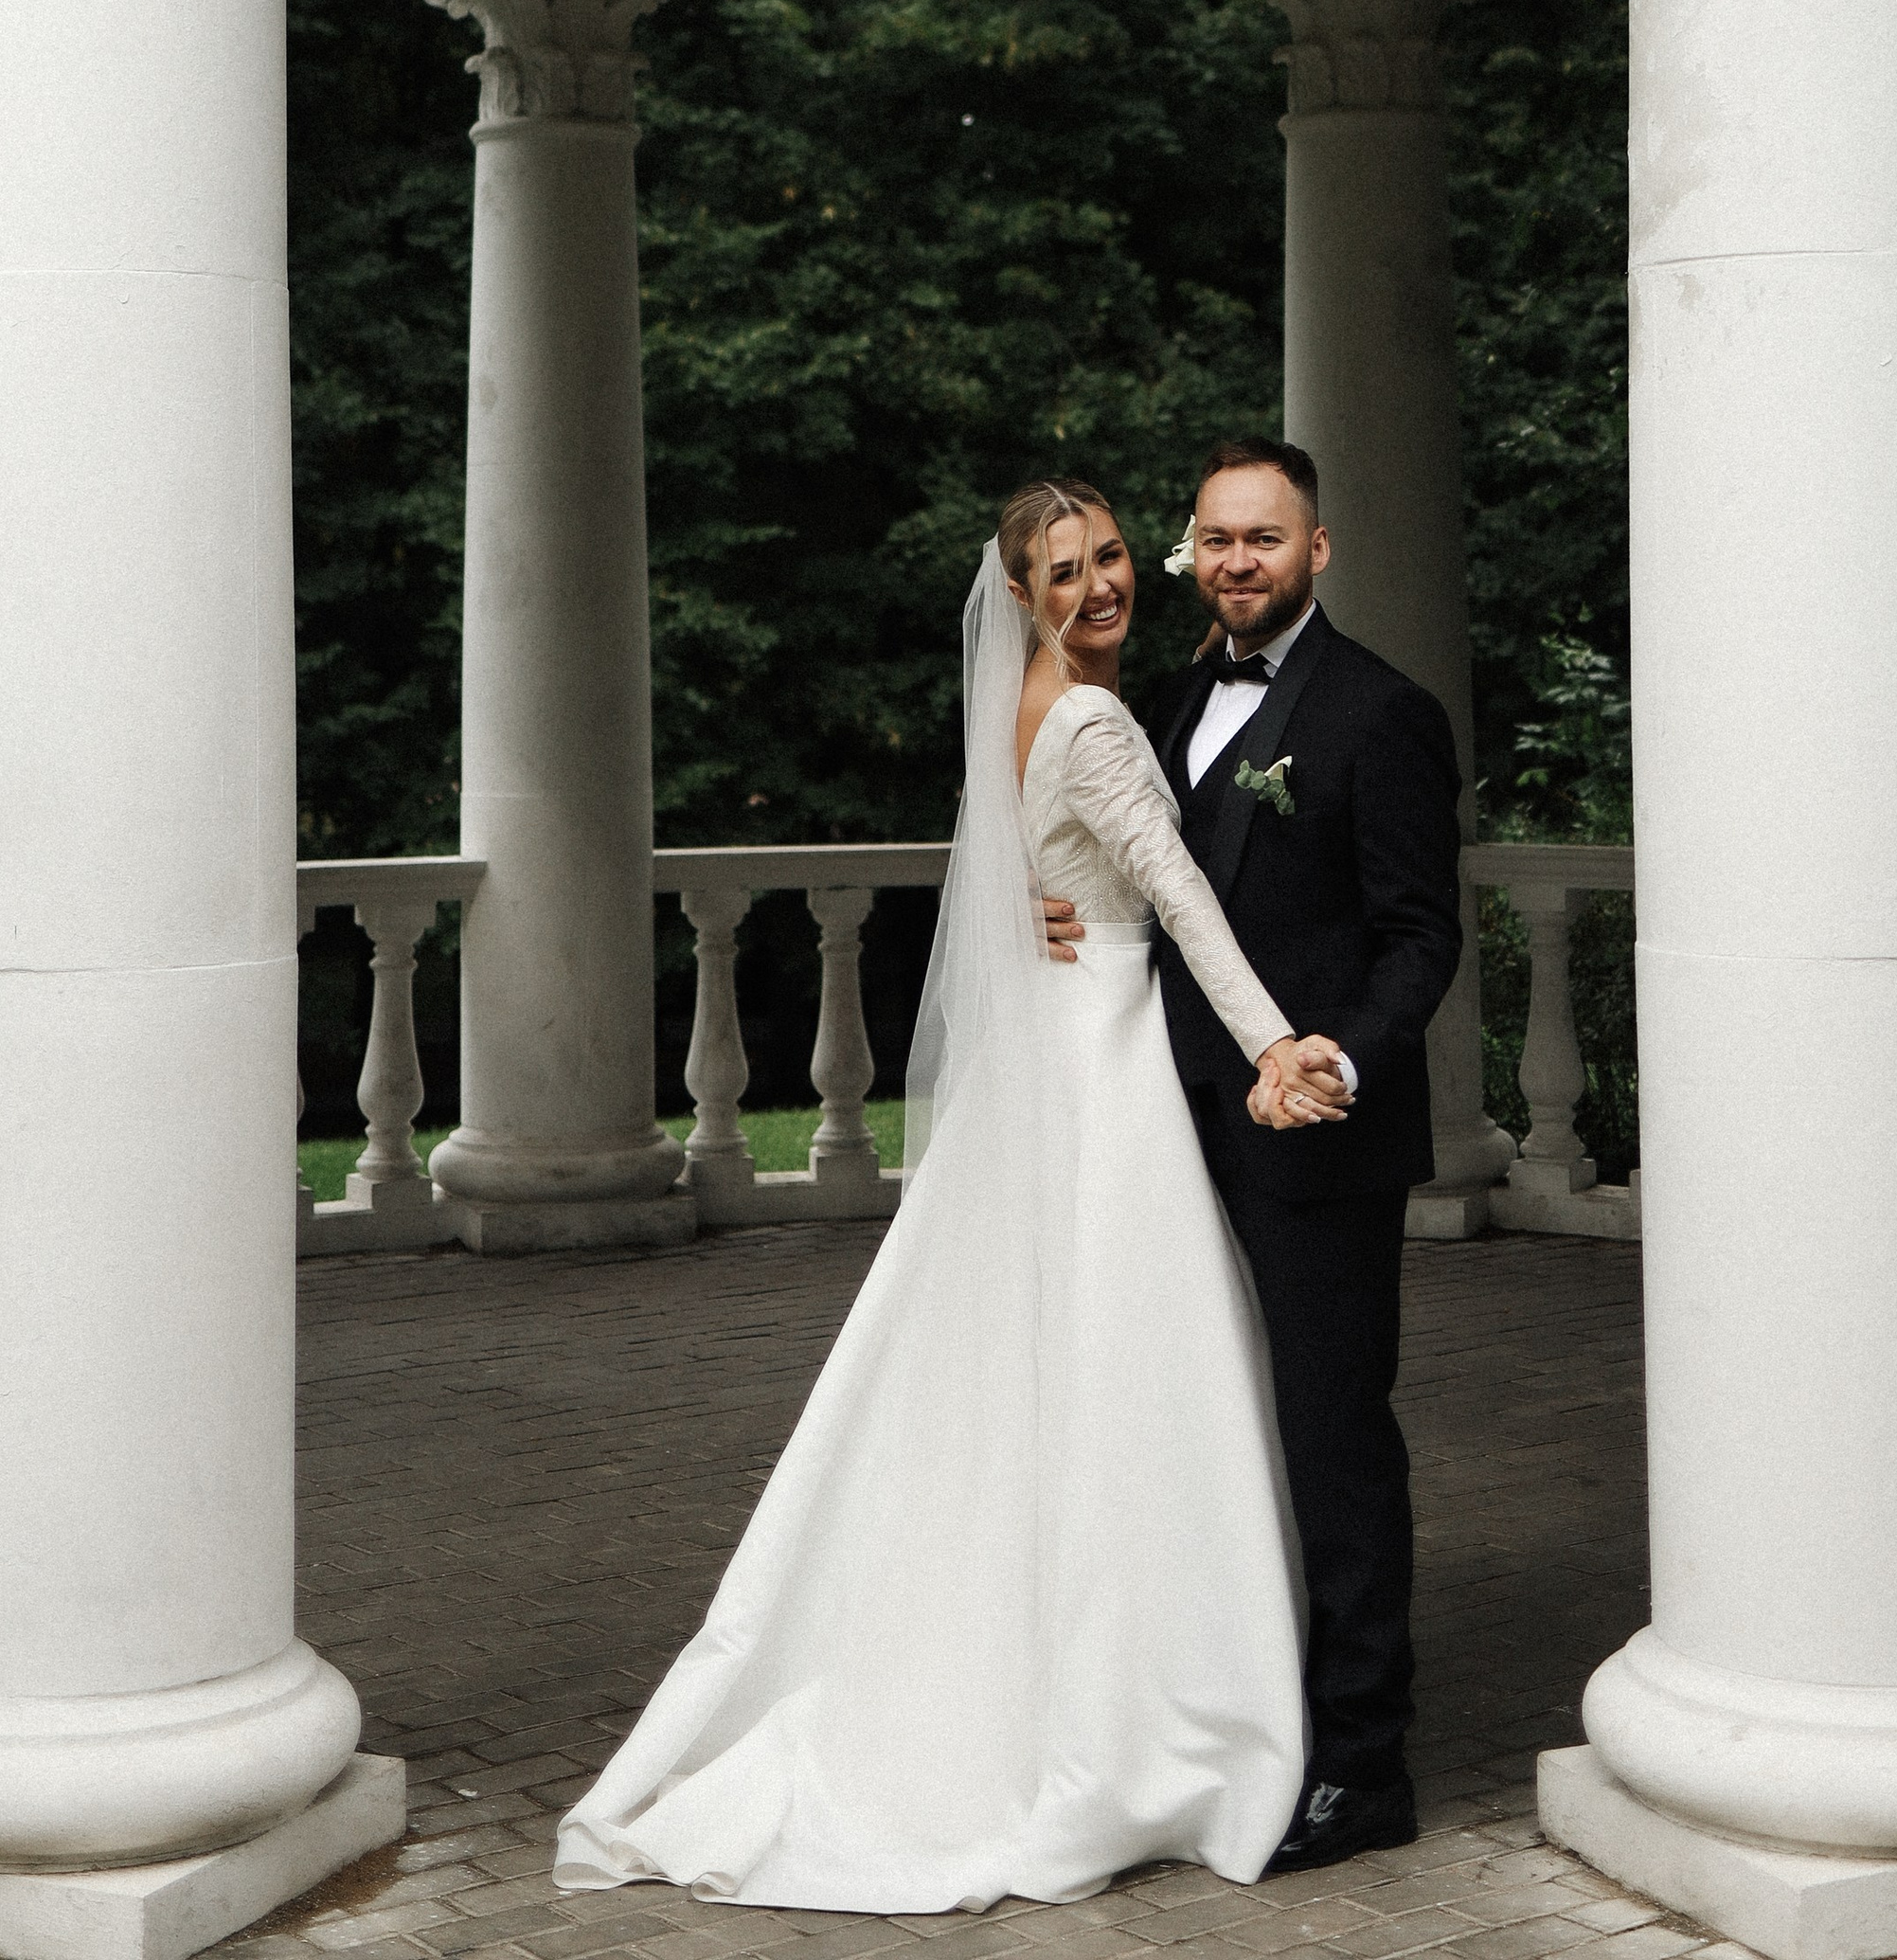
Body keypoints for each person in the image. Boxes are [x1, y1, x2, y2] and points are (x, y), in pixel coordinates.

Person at [553, 477, 1346, 1911]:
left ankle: (1043, 1661)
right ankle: (1140, 1711)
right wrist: (1274, 1043)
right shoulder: (1091, 721)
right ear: (1022, 594)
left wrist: (1053, 893)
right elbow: (1179, 896)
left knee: (1038, 1371)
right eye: (1066, 571)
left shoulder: (1031, 703)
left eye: (1114, 556)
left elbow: (1051, 862)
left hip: (1051, 1042)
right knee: (1125, 1369)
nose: (1101, 585)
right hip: (1099, 1060)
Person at [1042, 440, 1462, 1871]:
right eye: (1216, 538)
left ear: (1315, 550)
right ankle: (1232, 1711)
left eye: (1264, 539)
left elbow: (1421, 936)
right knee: (1204, 1425)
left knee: (1334, 1435)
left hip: (1315, 1133)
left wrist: (1341, 1055)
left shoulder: (1383, 713)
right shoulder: (1159, 703)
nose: (1237, 562)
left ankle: (1363, 1760)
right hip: (1167, 1124)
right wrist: (1045, 908)